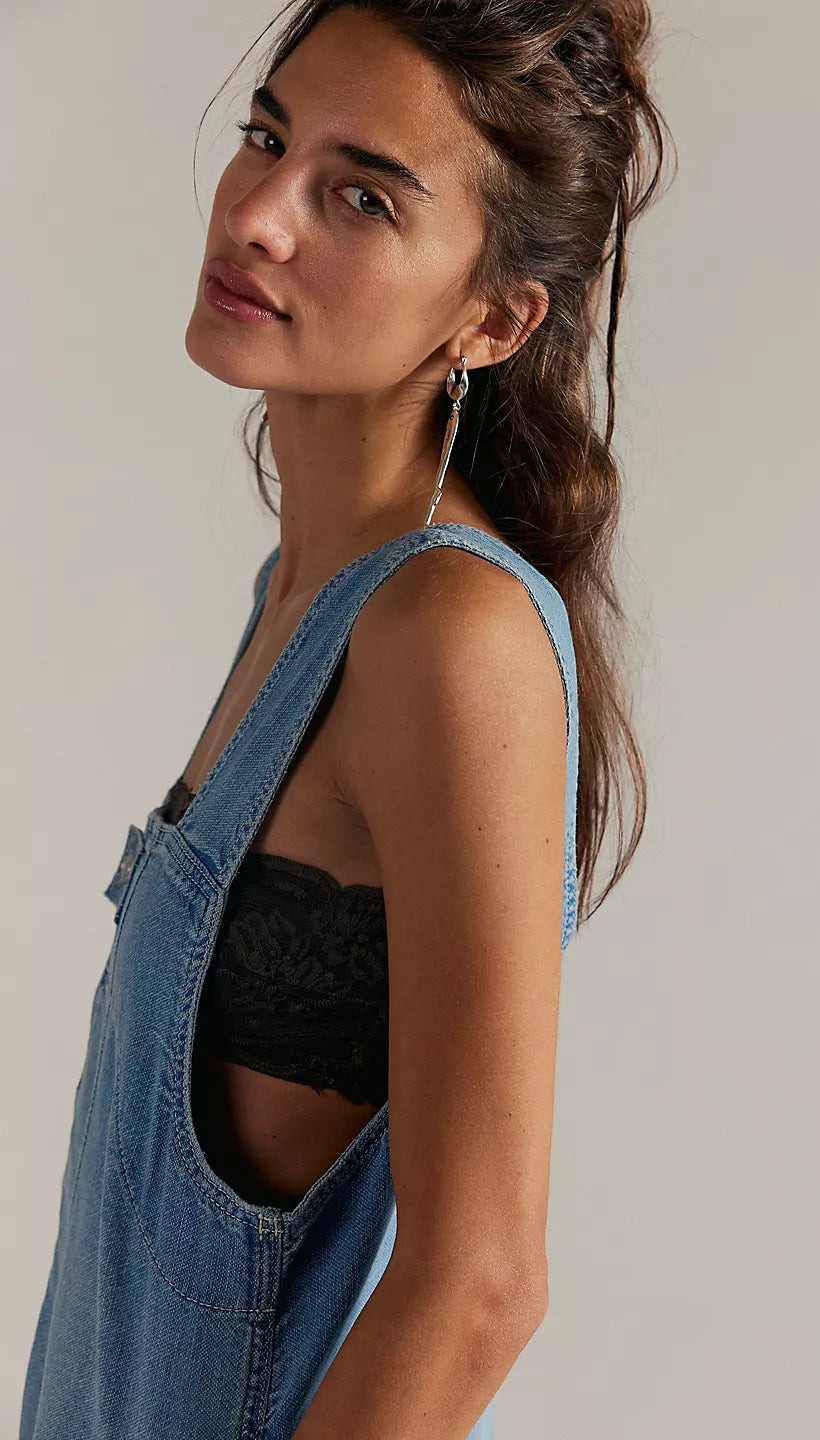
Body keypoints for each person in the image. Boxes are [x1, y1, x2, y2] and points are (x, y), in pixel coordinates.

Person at [20, 3, 669, 1437]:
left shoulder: (451, 637)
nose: (256, 214)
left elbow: (481, 1278)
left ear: (492, 319)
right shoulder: (310, 595)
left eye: (360, 194)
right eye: (267, 137)